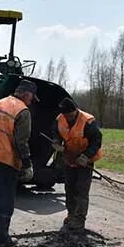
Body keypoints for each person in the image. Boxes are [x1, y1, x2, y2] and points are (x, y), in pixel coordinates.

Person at [0, 80, 38, 247]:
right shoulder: (22, 111)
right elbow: (21, 142)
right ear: (26, 94)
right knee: (5, 197)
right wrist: (27, 164)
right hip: (7, 161)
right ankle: (2, 238)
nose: (32, 101)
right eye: (32, 97)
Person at [52, 97, 102, 233]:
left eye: (71, 114)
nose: (68, 117)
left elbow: (96, 141)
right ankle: (71, 214)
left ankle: (79, 220)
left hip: (85, 159)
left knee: (81, 190)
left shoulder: (87, 121)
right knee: (69, 187)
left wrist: (86, 156)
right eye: (66, 115)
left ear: (75, 110)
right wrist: (56, 143)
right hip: (69, 158)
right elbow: (56, 133)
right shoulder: (60, 119)